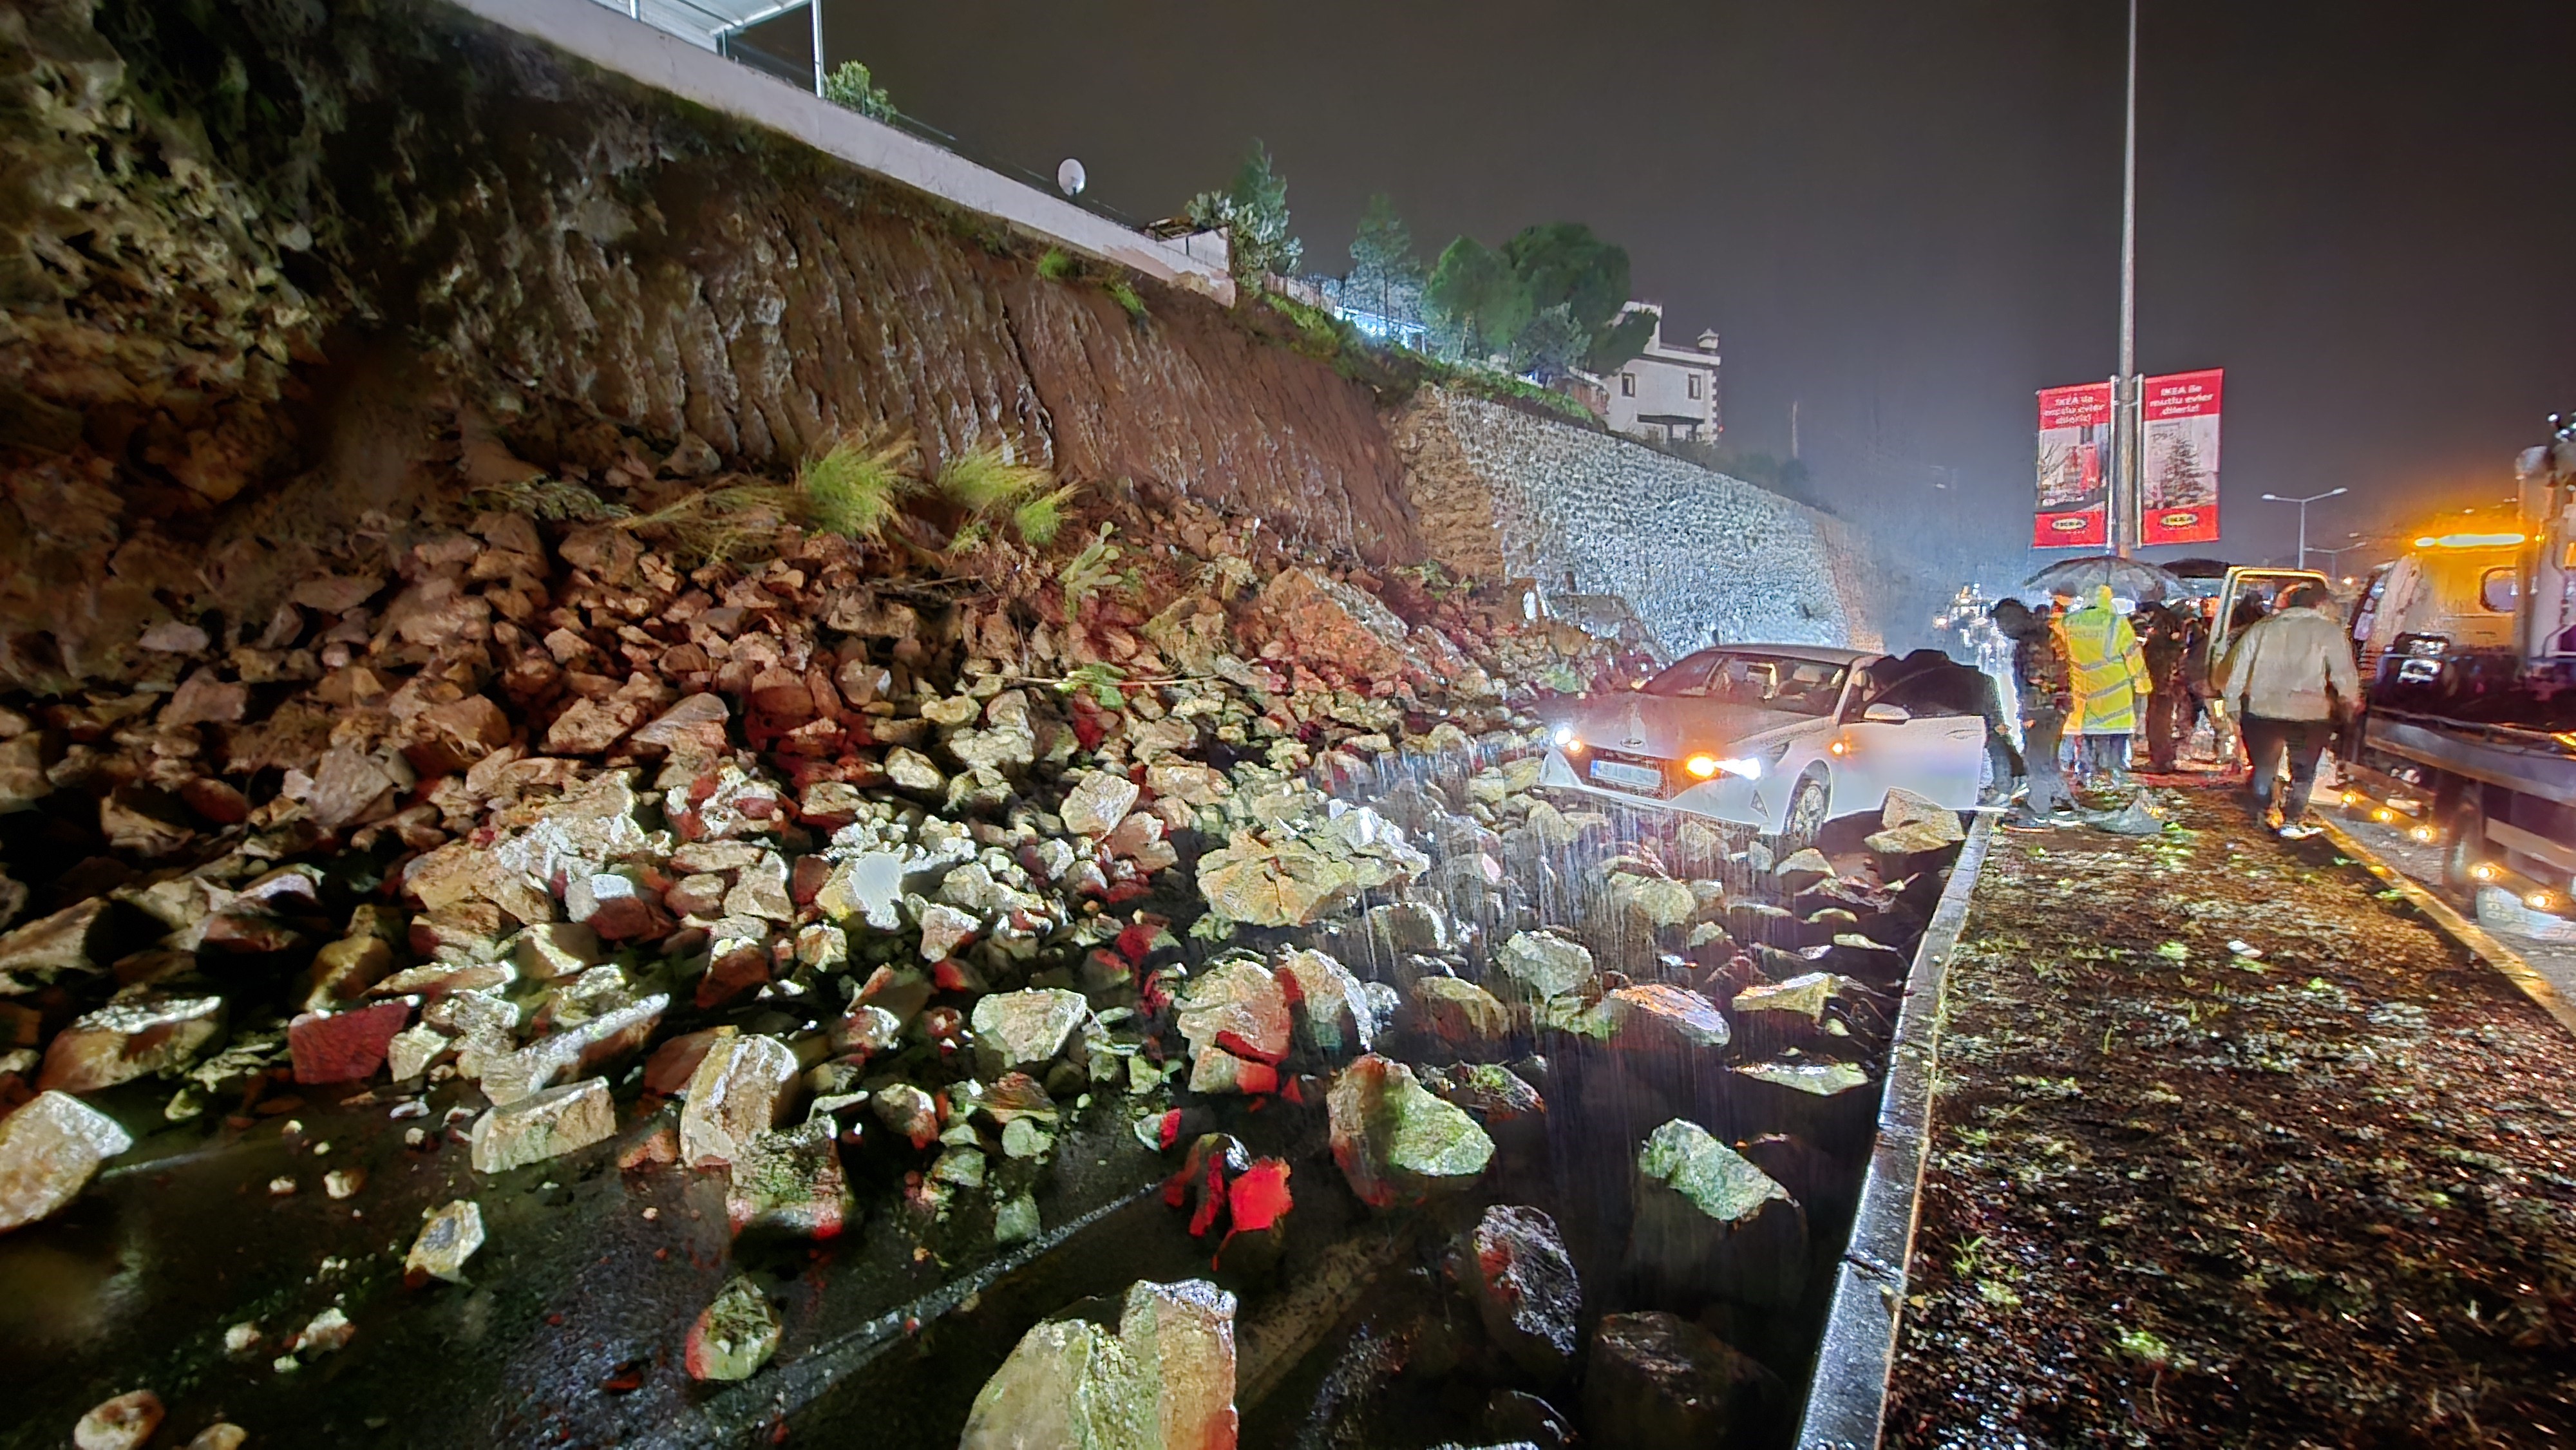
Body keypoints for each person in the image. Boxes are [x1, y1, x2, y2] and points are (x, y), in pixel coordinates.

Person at [2211, 580, 2361, 838]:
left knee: (2265, 768)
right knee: (2303, 772)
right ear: (2319, 604)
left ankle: (2265, 813)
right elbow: (2343, 673)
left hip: (2262, 711)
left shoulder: (2261, 629)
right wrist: (2350, 701)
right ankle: (2293, 820)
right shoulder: (2328, 631)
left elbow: (2239, 669)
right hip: (2310, 714)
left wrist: (2233, 702)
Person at [1991, 598, 2074, 824]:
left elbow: (2037, 680)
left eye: (2002, 624)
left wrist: (2030, 714)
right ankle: (2062, 801)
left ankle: (2038, 810)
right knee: (2046, 758)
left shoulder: (2032, 643)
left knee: (2036, 759)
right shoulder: (2042, 635)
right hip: (2054, 707)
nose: (2002, 630)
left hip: (2043, 709)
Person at [2061, 585, 2150, 789]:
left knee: (2087, 734)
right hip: (2115, 691)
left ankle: (2087, 773)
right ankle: (2113, 776)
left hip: (2081, 689)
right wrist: (2143, 684)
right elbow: (2133, 655)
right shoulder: (2117, 623)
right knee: (2116, 736)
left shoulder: (2069, 622)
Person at [2133, 601, 2192, 773]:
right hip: (2168, 679)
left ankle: (2161, 760)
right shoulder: (2171, 621)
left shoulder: (2161, 624)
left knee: (2158, 721)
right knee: (2162, 720)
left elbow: (2160, 653)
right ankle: (2163, 758)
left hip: (2161, 680)